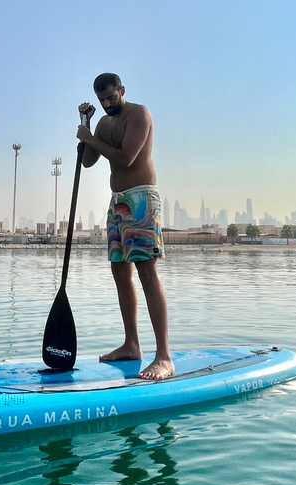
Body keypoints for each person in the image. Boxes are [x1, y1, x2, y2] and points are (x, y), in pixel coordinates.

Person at [76, 72, 174, 380]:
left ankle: (164, 356)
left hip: (141, 197)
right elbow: (88, 161)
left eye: (111, 97)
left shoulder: (139, 114)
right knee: (120, 270)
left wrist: (89, 139)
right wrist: (89, 127)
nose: (106, 104)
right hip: (117, 200)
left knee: (146, 269)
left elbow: (128, 158)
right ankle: (132, 344)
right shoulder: (104, 123)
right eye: (101, 100)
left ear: (122, 91)